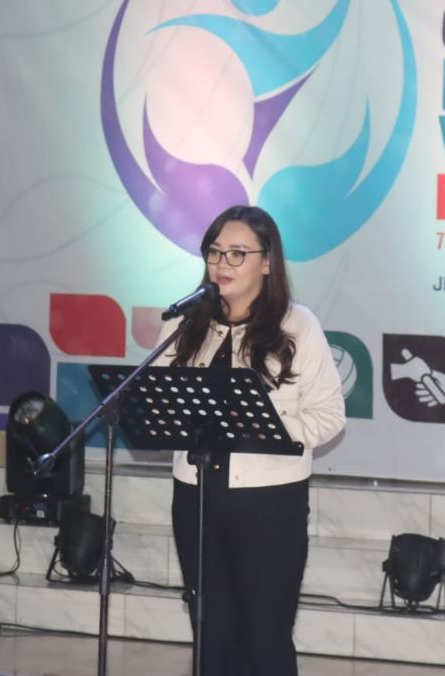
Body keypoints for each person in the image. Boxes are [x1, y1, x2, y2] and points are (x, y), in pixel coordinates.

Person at [153, 205, 346, 675]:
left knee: (265, 635)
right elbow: (158, 399)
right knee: (209, 632)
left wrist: (266, 427)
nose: (223, 263)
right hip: (197, 496)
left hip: (269, 503)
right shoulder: (183, 323)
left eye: (238, 253)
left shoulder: (298, 325)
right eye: (215, 251)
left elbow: (329, 418)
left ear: (267, 263)